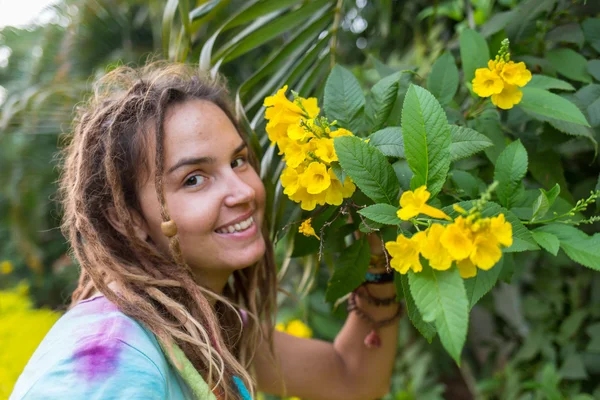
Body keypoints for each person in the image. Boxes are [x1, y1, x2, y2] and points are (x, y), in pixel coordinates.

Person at [10, 62, 402, 400]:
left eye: (239, 161)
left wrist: (377, 257)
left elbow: (351, 377)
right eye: (194, 179)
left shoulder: (202, 325)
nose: (243, 191)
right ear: (125, 219)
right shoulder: (111, 354)